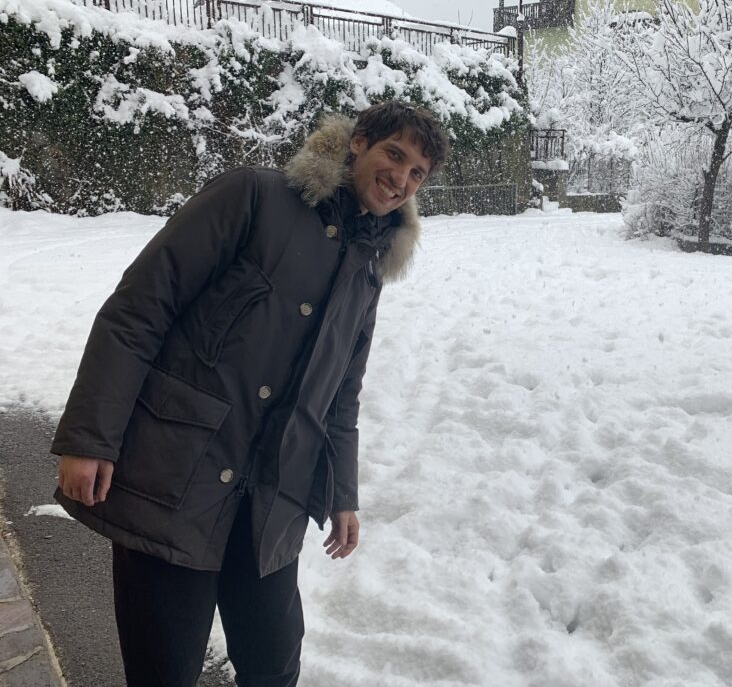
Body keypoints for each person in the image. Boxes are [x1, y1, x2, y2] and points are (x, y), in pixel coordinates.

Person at [50, 101, 449, 687]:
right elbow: (140, 309)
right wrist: (90, 436)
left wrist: (342, 492)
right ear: (359, 141)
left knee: (273, 661)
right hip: (175, 479)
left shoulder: (369, 267)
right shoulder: (255, 196)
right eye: (395, 155)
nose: (401, 179)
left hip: (271, 503)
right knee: (164, 669)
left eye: (418, 173)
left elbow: (342, 395)